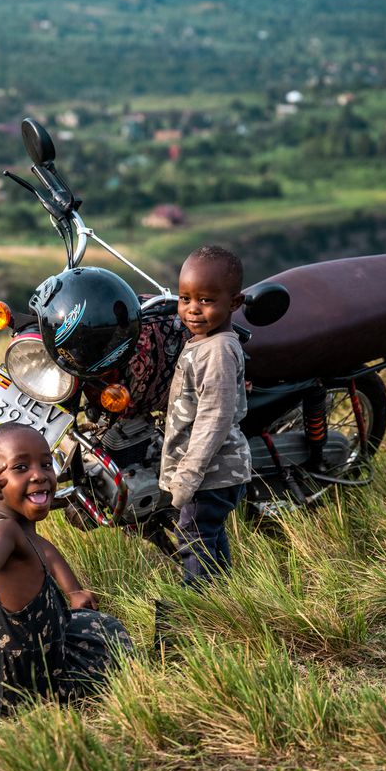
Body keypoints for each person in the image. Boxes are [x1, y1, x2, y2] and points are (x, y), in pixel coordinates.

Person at [0, 422, 132, 715]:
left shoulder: (27, 535)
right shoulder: (2, 530)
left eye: (46, 463)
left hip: (7, 677)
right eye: (21, 467)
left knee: (90, 622)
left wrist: (75, 591)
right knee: (110, 632)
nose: (39, 475)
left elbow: (48, 554)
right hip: (18, 685)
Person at [159, 245, 252, 586]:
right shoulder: (206, 341)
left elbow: (214, 417)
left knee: (193, 536)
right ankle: (222, 592)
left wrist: (186, 477)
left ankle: (196, 603)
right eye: (185, 298)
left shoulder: (217, 351)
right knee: (208, 533)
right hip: (214, 472)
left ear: (234, 303)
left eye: (206, 300)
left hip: (210, 473)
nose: (192, 310)